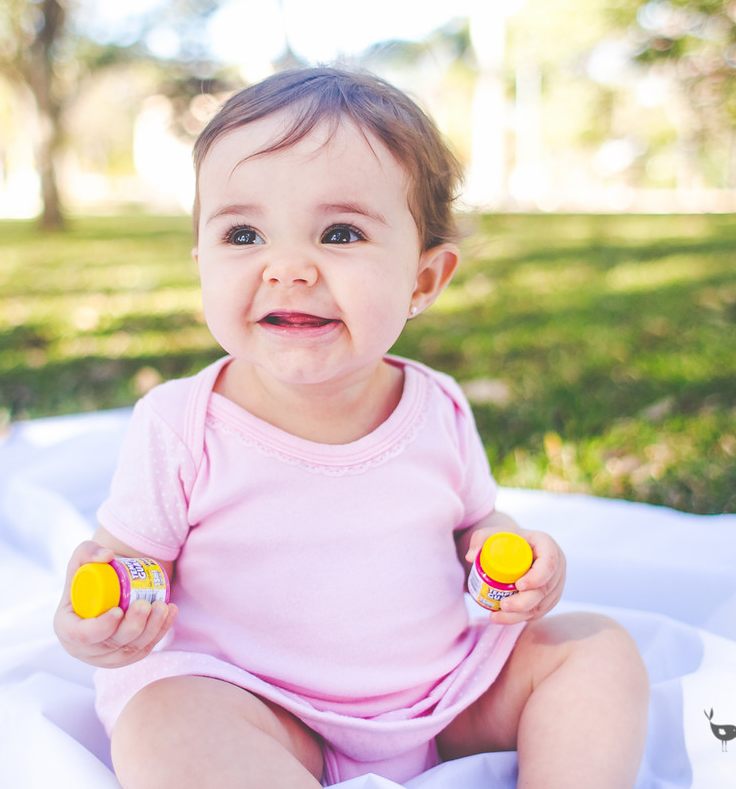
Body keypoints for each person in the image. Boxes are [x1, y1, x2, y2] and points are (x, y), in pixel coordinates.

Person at [54, 67, 649, 789]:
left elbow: (476, 528)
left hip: (445, 697)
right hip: (262, 709)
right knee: (166, 722)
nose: (289, 268)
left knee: (596, 647)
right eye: (243, 233)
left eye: (339, 233)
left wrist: (512, 560)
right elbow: (126, 561)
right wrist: (100, 612)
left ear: (424, 280)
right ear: (202, 263)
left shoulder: (437, 406)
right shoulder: (183, 425)